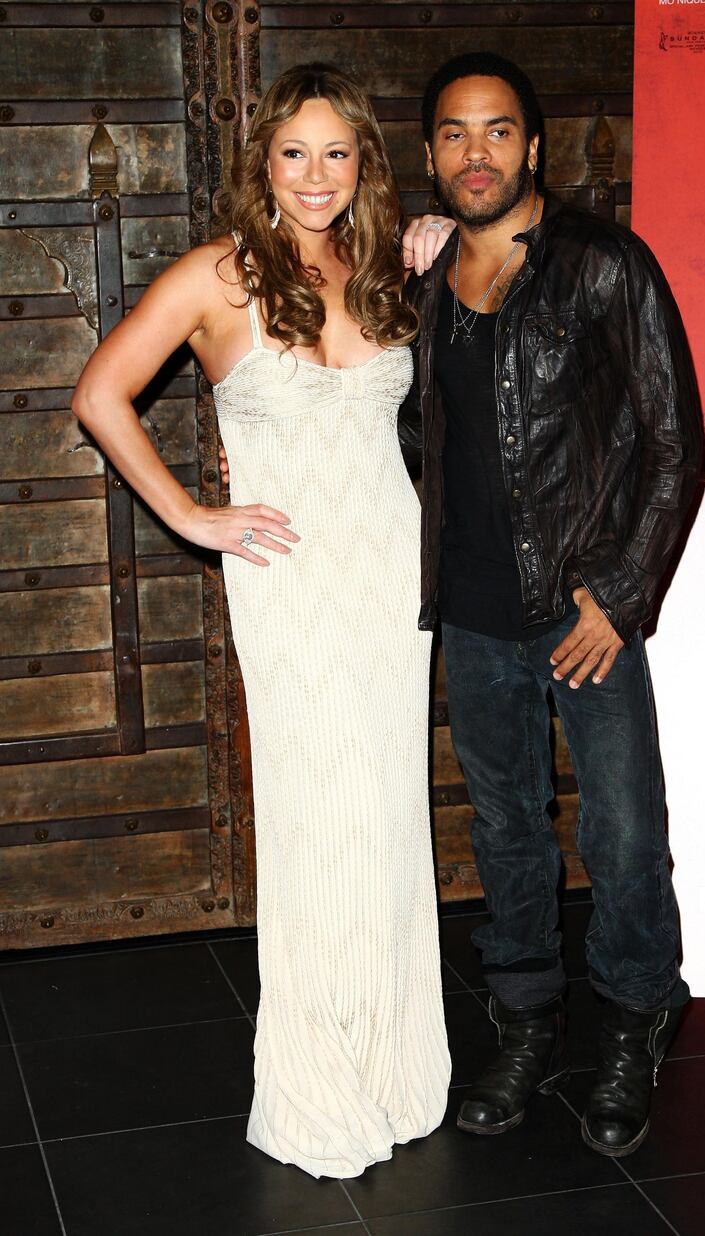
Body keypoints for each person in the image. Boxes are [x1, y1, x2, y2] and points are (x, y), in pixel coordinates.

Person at [71, 63, 455, 1179]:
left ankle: (390, 1064)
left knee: (384, 811)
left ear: (363, 165)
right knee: (316, 816)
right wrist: (193, 515)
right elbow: (100, 393)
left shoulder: (385, 265)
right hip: (288, 580)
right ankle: (319, 1083)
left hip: (390, 570)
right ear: (263, 163)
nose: (316, 176)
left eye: (338, 153)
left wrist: (437, 230)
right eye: (295, 152)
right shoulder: (215, 275)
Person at [398, 52, 704, 1157]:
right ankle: (524, 1020)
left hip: (585, 617)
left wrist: (616, 597)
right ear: (429, 154)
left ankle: (632, 1019)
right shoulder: (427, 278)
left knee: (622, 835)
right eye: (451, 133)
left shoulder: (603, 263)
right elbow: (415, 433)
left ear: (531, 145)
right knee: (506, 832)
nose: (473, 152)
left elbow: (675, 446)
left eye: (494, 131)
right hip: (473, 614)